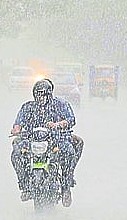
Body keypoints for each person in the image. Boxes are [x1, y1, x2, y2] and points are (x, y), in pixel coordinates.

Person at [10, 79, 82, 207]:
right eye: (37, 94)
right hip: (31, 140)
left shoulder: (61, 104)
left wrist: (58, 125)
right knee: (16, 153)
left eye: (42, 94)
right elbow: (19, 122)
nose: (39, 97)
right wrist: (16, 129)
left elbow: (71, 119)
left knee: (70, 151)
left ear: (49, 94)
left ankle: (66, 186)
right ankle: (25, 185)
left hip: (57, 139)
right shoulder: (28, 107)